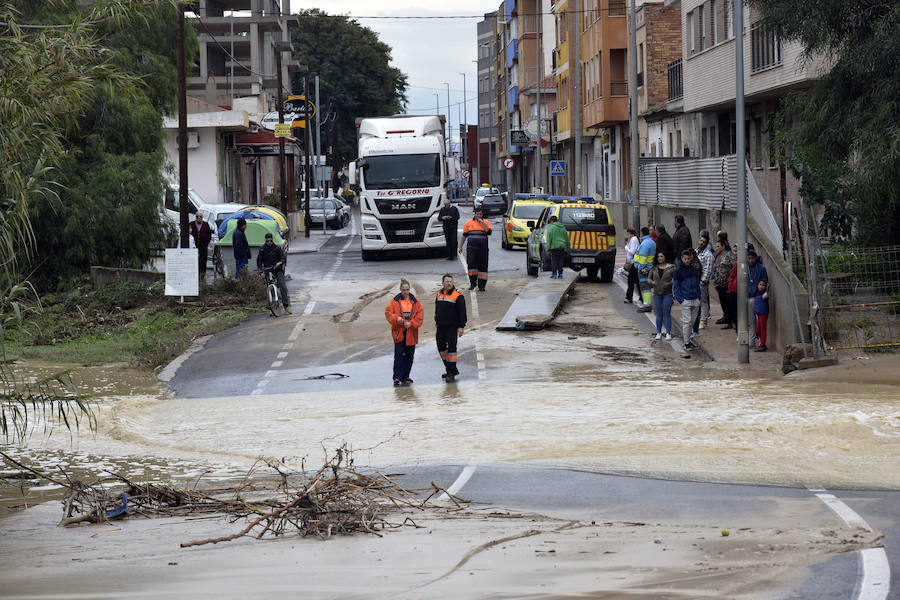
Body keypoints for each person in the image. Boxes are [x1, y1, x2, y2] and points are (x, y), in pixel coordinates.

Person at [385, 278, 424, 386]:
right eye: (403, 290)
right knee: (398, 355)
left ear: (409, 289)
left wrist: (411, 323)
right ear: (400, 289)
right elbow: (388, 313)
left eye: (407, 290)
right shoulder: (394, 301)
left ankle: (406, 376)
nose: (405, 292)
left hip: (411, 333)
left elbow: (419, 317)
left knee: (409, 356)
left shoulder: (415, 302)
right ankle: (397, 377)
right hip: (399, 332)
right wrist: (397, 319)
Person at [435, 274, 467, 382]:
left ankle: (450, 373)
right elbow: (437, 309)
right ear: (443, 283)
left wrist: (461, 326)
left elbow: (462, 313)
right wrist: (436, 320)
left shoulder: (458, 296)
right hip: (440, 326)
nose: (449, 283)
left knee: (452, 350)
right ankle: (450, 369)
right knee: (441, 348)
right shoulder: (439, 294)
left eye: (450, 281)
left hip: (452, 327)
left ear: (452, 283)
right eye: (447, 281)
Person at [673, 248, 702, 351]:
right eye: (685, 259)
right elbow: (675, 287)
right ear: (682, 258)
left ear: (691, 258)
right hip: (685, 299)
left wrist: (699, 297)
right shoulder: (678, 271)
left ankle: (688, 340)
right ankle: (686, 342)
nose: (687, 260)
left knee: (692, 321)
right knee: (687, 321)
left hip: (695, 299)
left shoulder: (694, 270)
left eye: (688, 258)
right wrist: (681, 299)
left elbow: (698, 284)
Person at [458, 206, 492, 291]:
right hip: (472, 248)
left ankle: (482, 286)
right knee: (471, 265)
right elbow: (464, 235)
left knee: (483, 267)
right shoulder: (469, 222)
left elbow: (489, 232)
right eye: (477, 214)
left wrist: (482, 223)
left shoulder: (486, 222)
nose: (479, 216)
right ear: (475, 214)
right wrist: (460, 246)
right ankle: (472, 284)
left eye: (480, 214)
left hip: (483, 249)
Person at [256, 233, 290, 314]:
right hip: (267, 270)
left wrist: (280, 262)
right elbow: (259, 261)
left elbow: (283, 258)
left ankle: (286, 306)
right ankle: (272, 308)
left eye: (270, 241)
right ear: (265, 240)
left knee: (283, 287)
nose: (269, 243)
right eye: (267, 241)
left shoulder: (277, 248)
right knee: (269, 289)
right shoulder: (262, 249)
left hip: (277, 270)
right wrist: (261, 272)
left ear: (272, 240)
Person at [648, 251, 675, 341]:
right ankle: (658, 332)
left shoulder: (671, 267)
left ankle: (668, 333)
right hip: (656, 294)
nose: (660, 258)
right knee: (659, 314)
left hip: (667, 293)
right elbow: (649, 278)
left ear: (665, 257)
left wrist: (670, 283)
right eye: (658, 256)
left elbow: (675, 279)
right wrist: (653, 283)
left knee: (667, 314)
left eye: (661, 256)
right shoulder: (653, 268)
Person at [746, 249, 769, 347]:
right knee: (750, 321)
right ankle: (751, 341)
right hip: (747, 297)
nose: (750, 260)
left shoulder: (761, 269)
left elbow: (766, 283)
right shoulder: (745, 268)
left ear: (756, 258)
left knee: (760, 323)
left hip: (758, 298)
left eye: (752, 258)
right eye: (749, 258)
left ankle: (761, 342)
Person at [712, 239, 735, 327]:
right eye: (716, 246)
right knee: (723, 303)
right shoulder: (717, 256)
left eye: (718, 246)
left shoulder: (729, 255)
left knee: (729, 303)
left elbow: (733, 267)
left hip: (727, 283)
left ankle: (730, 320)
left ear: (723, 246)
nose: (716, 248)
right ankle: (726, 318)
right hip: (719, 284)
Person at [634, 227, 657, 312]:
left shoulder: (645, 244)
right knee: (647, 287)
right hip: (648, 268)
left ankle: (647, 305)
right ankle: (647, 304)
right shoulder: (650, 242)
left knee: (645, 287)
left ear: (642, 233)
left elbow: (643, 258)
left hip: (644, 269)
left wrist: (639, 267)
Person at [695, 232, 714, 330]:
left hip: (702, 282)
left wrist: (703, 281)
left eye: (704, 242)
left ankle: (703, 321)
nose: (701, 243)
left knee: (703, 302)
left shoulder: (708, 254)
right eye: (700, 240)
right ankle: (697, 319)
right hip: (694, 281)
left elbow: (708, 269)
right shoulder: (695, 251)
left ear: (707, 243)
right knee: (696, 301)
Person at [189, 211, 212, 278]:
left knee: (203, 260)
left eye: (200, 216)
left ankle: (202, 274)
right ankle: (195, 274)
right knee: (195, 260)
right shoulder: (191, 224)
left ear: (202, 217)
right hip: (194, 245)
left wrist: (207, 243)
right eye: (197, 216)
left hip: (203, 245)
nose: (199, 218)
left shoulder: (206, 224)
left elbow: (209, 234)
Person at [623, 228, 640, 303]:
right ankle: (631, 297)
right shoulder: (634, 239)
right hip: (633, 263)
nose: (628, 235)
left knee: (632, 281)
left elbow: (632, 251)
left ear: (630, 233)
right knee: (635, 281)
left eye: (628, 233)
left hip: (633, 263)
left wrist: (626, 247)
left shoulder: (633, 239)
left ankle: (629, 297)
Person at [753, 280, 770, 352]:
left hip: (763, 314)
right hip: (759, 314)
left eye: (763, 285)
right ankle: (762, 343)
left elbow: (767, 293)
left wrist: (768, 288)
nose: (761, 286)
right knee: (758, 330)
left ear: (765, 286)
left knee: (763, 330)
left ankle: (762, 345)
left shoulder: (765, 294)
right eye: (760, 284)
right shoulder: (757, 293)